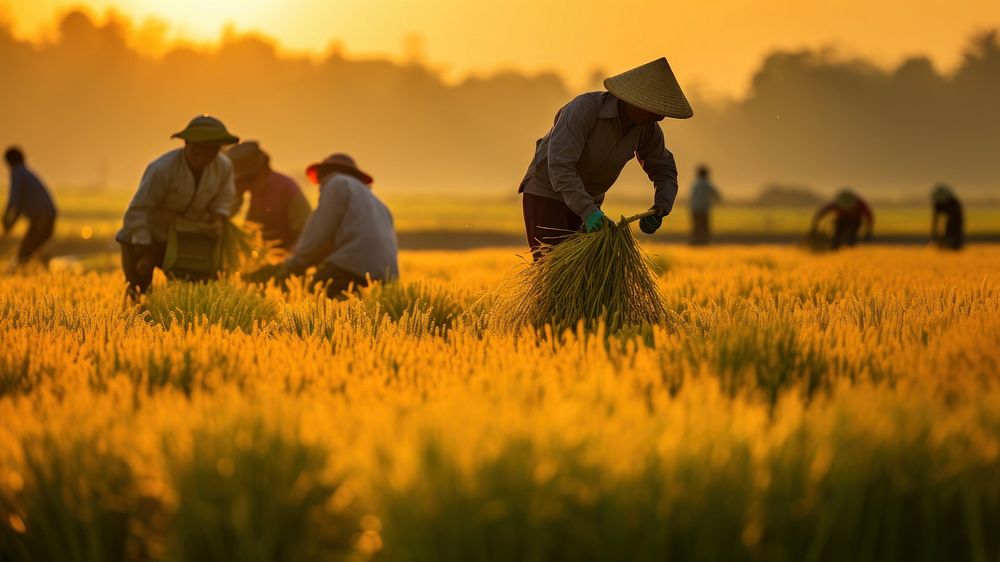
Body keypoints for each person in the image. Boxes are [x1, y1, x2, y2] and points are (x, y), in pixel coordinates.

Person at [518, 57, 693, 257]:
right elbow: (559, 166)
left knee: (586, 275)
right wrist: (589, 212)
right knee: (553, 268)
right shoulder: (584, 110)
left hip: (587, 203)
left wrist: (661, 205)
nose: (660, 117)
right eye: (655, 110)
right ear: (634, 100)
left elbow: (664, 169)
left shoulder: (648, 129)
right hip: (547, 193)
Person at [116, 115, 239, 298]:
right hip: (143, 236)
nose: (203, 157)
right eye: (197, 150)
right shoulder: (163, 169)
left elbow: (225, 196)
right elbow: (139, 210)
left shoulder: (223, 167)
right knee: (139, 291)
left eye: (210, 151)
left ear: (219, 149)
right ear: (186, 144)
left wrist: (217, 216)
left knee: (192, 292)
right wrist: (145, 250)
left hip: (184, 237)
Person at [251, 153, 397, 298]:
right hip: (387, 277)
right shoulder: (379, 204)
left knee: (312, 298)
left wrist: (292, 266)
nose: (320, 188)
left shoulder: (337, 183)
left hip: (351, 265)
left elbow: (318, 234)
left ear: (325, 174)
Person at [226, 141, 311, 250]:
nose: (246, 184)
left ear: (264, 169)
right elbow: (224, 219)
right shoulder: (239, 193)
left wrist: (291, 258)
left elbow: (306, 230)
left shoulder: (286, 187)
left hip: (285, 257)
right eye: (241, 180)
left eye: (249, 178)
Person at [3, 147, 58, 265]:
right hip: (45, 217)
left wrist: (6, 220)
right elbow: (19, 205)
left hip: (42, 219)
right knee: (33, 249)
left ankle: (37, 274)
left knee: (26, 251)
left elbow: (14, 202)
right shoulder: (26, 173)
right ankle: (45, 272)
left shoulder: (17, 173)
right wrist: (9, 224)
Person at [689, 165, 721, 245]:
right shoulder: (707, 184)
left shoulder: (695, 184)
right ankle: (704, 243)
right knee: (704, 227)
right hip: (704, 209)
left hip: (694, 209)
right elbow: (717, 195)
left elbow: (691, 197)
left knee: (696, 227)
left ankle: (696, 242)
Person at [931, 184, 964, 250]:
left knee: (954, 227)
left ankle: (953, 244)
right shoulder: (939, 204)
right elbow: (936, 219)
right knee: (950, 229)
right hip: (954, 220)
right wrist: (935, 233)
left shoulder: (954, 204)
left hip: (955, 220)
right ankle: (947, 244)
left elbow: (956, 223)